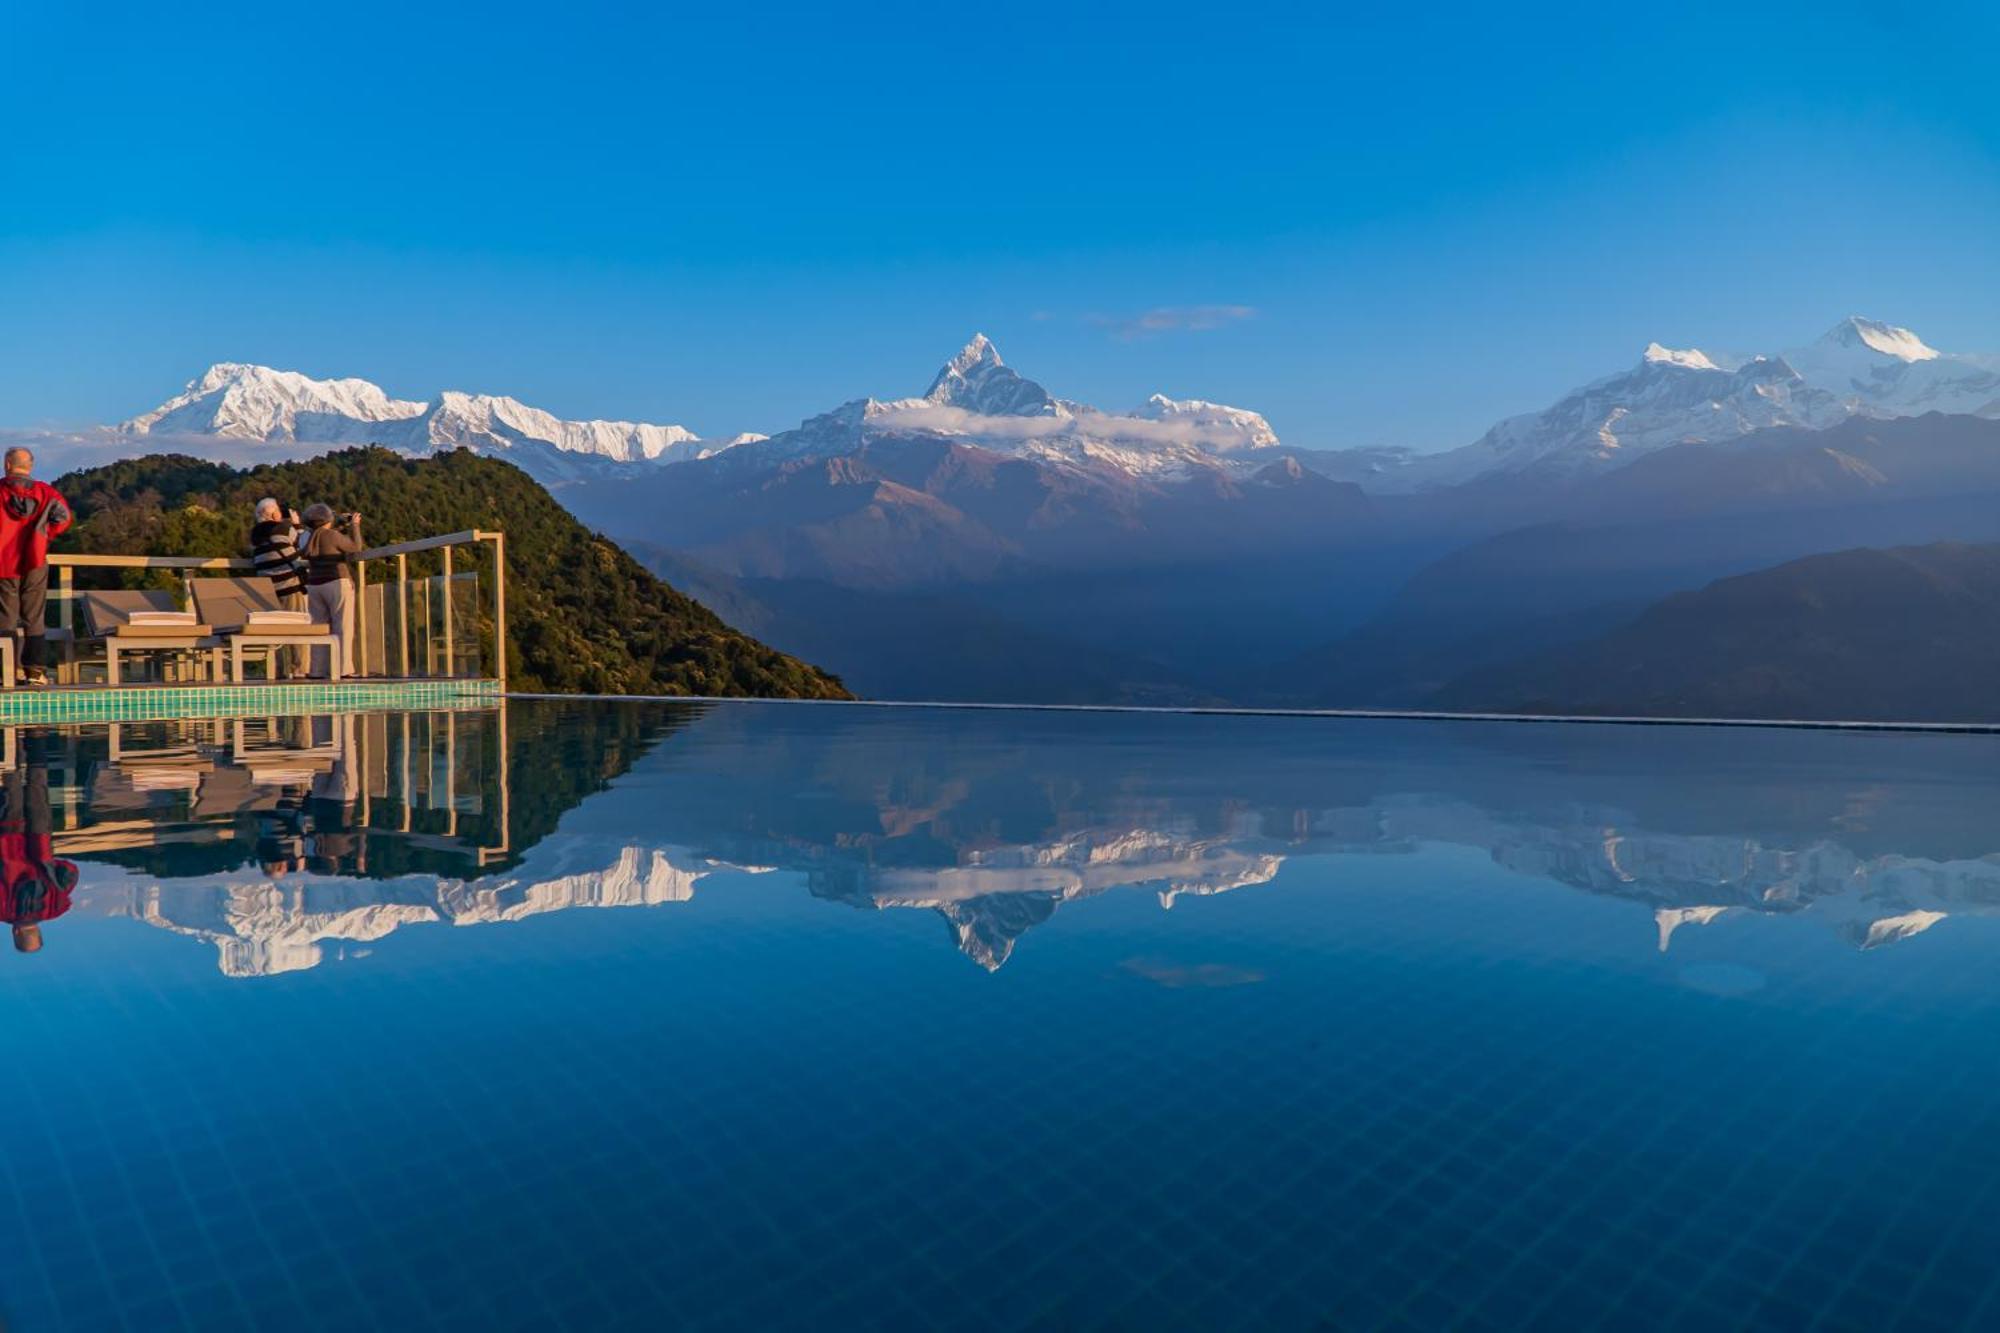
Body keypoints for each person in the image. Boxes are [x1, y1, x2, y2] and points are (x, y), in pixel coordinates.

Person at [0, 448, 73, 688]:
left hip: (3, 563)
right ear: (29, 466)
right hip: (35, 560)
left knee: (6, 618)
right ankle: (35, 673)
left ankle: (7, 672)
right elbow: (64, 518)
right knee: (34, 617)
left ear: (7, 464)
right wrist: (44, 536)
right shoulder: (47, 493)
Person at [0, 756, 76, 954]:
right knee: (11, 783)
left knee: (38, 785)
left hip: (40, 840)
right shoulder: (2, 911)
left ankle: (38, 735)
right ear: (16, 933)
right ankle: (9, 741)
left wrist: (51, 864)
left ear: (39, 931)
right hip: (8, 839)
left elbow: (69, 871)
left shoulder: (56, 907)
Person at [300, 504, 362, 678]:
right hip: (335, 581)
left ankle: (317, 670)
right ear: (328, 519)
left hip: (314, 584)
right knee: (342, 626)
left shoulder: (310, 537)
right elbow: (355, 547)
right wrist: (354, 526)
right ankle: (343, 669)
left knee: (319, 628)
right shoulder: (332, 536)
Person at [249, 497, 308, 678]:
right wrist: (297, 524)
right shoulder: (282, 528)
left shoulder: (256, 536)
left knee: (276, 631)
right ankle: (299, 670)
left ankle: (279, 671)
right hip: (289, 586)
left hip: (268, 589)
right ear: (274, 513)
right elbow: (302, 545)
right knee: (298, 630)